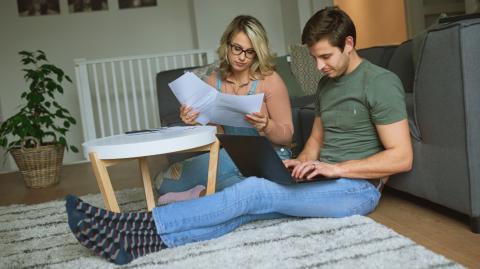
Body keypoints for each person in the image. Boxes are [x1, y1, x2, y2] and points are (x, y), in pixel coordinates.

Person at [65, 7, 412, 265]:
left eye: (325, 56)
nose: (319, 66)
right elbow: (316, 142)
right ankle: (137, 245)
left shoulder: (380, 83)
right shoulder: (326, 84)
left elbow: (401, 157)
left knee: (254, 191)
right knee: (245, 209)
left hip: (357, 190)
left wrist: (336, 169)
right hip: (320, 178)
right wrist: (300, 163)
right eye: (314, 57)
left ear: (349, 44)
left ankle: (133, 225)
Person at [156, 15, 293, 204]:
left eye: (250, 52)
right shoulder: (214, 81)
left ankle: (201, 195)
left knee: (238, 179)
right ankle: (236, 191)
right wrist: (195, 120)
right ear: (227, 45)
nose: (242, 57)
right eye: (237, 48)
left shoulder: (270, 81)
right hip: (232, 154)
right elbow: (217, 135)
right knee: (164, 182)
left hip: (270, 155)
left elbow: (287, 136)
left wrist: (266, 125)